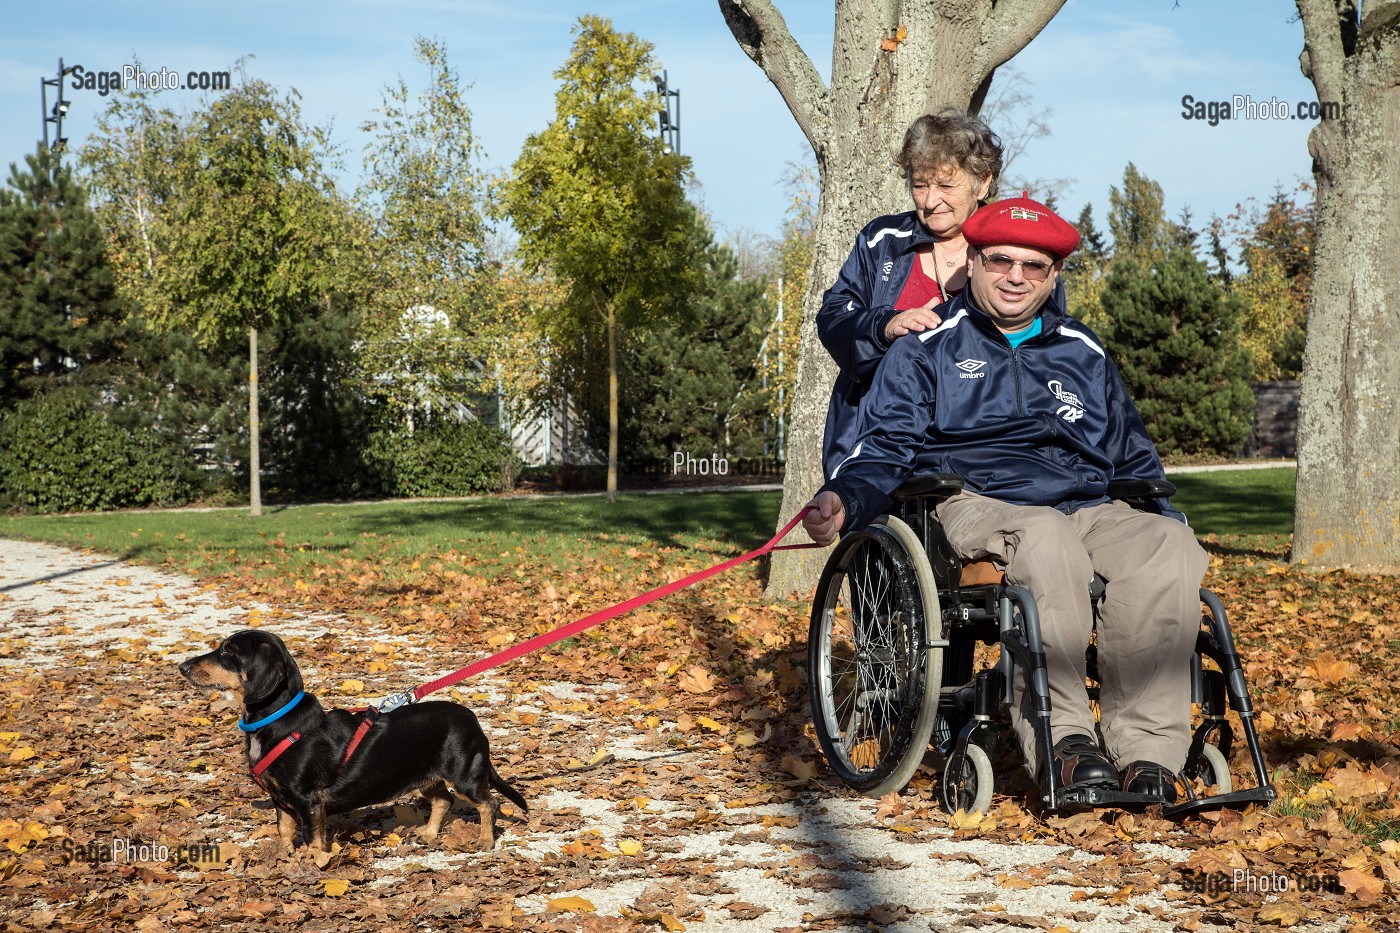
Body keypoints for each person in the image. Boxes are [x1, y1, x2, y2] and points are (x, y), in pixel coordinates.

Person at [802, 195, 1209, 803]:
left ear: (1054, 275)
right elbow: (884, 441)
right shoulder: (927, 343)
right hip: (973, 499)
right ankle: (1066, 744)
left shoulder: (1083, 350)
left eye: (1033, 266)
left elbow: (1132, 456)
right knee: (1043, 536)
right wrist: (844, 496)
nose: (1015, 276)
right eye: (1001, 261)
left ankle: (1148, 753)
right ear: (975, 260)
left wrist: (1165, 515)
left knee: (1168, 545)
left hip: (1084, 506)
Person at [816, 110, 1002, 479]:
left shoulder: (1014, 253)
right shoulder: (881, 240)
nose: (931, 200)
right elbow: (834, 316)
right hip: (877, 433)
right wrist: (886, 325)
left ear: (982, 184)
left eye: (946, 186)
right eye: (920, 185)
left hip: (981, 441)